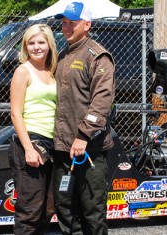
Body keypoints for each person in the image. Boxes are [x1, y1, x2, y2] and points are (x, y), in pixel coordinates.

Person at [53, 2, 115, 234]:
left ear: (87, 25)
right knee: (66, 210)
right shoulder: (62, 54)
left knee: (92, 212)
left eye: (72, 22)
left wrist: (83, 134)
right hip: (61, 148)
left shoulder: (98, 56)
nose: (66, 27)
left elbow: (102, 100)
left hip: (89, 149)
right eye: (64, 22)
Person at [8, 23, 57, 235]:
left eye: (41, 42)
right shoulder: (23, 71)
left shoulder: (53, 71)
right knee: (30, 211)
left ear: (50, 45)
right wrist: (28, 148)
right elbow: (15, 114)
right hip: (31, 142)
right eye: (31, 43)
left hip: (55, 144)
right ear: (25, 46)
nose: (36, 47)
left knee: (48, 208)